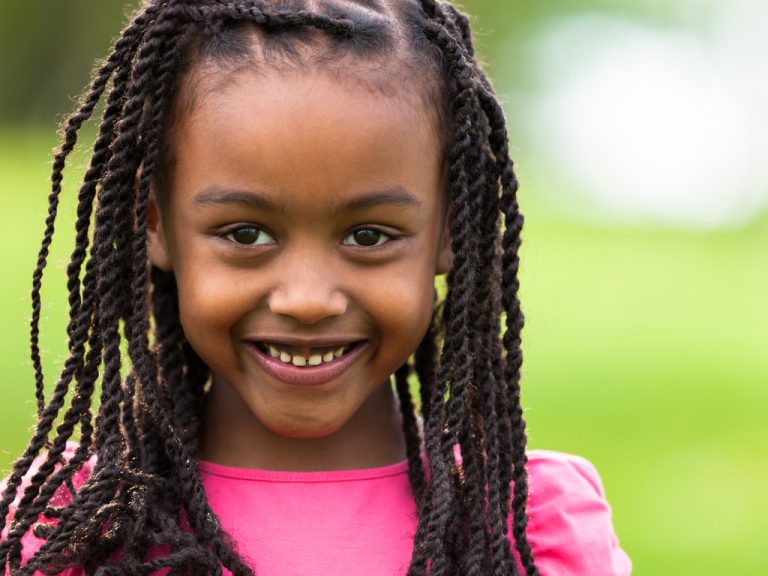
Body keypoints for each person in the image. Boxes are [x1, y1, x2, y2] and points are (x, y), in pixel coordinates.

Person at [0, 0, 632, 574]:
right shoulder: (78, 522)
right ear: (157, 226)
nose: (306, 300)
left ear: (449, 229)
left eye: (368, 236)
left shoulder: (524, 527)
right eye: (246, 234)